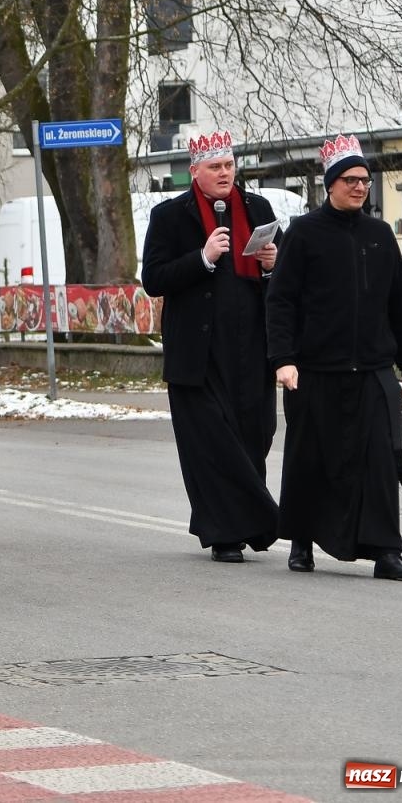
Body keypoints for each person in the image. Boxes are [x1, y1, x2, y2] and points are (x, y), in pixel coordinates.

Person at [267, 134, 402, 581]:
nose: (360, 187)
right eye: (351, 180)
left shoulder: (380, 235)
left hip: (373, 370)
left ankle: (386, 552)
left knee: (379, 460)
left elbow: (398, 305)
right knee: (310, 458)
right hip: (315, 370)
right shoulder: (304, 233)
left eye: (365, 180)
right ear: (331, 184)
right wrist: (283, 359)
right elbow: (280, 301)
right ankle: (302, 541)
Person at [140, 130, 280, 563]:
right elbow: (153, 279)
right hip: (197, 354)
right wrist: (202, 259)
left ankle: (248, 522)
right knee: (212, 443)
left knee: (255, 435)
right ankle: (226, 534)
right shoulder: (170, 216)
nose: (224, 173)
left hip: (251, 348)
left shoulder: (258, 209)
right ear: (195, 171)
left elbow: (282, 283)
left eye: (229, 165)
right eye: (215, 167)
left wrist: (273, 265)